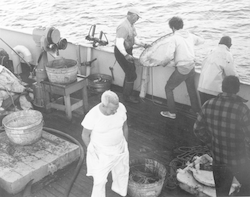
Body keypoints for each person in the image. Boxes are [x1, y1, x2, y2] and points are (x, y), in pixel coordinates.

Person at [193, 76, 250, 196]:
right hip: (239, 161)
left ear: (222, 87)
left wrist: (212, 143)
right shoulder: (243, 110)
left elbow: (197, 129)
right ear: (238, 89)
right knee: (247, 188)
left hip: (219, 160)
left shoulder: (208, 104)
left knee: (221, 193)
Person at [81, 90, 129, 197]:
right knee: (100, 180)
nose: (115, 112)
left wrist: (125, 143)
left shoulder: (120, 108)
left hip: (120, 147)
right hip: (101, 151)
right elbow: (84, 135)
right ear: (104, 105)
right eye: (112, 110)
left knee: (122, 172)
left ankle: (120, 192)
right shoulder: (93, 115)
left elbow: (125, 126)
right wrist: (92, 150)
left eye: (116, 109)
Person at [160, 16, 204, 119]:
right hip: (192, 66)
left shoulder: (174, 38)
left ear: (173, 28)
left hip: (182, 68)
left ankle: (172, 112)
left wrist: (163, 63)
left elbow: (168, 56)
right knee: (191, 89)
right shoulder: (190, 35)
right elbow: (201, 41)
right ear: (182, 26)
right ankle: (196, 111)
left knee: (168, 88)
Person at [114, 8, 149, 104]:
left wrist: (143, 44)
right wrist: (125, 55)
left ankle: (125, 95)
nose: (137, 19)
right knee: (131, 74)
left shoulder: (131, 26)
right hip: (122, 52)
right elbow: (119, 43)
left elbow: (134, 39)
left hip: (128, 51)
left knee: (130, 72)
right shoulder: (123, 27)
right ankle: (126, 97)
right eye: (137, 17)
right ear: (132, 16)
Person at [198, 36, 237, 105]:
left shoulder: (211, 51)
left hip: (201, 87)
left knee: (205, 110)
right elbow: (231, 75)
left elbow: (202, 65)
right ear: (230, 45)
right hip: (214, 91)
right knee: (214, 111)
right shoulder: (227, 54)